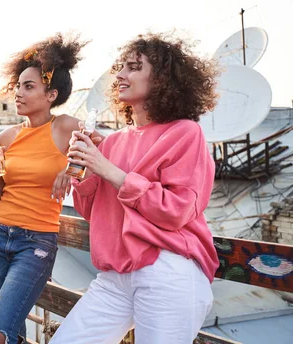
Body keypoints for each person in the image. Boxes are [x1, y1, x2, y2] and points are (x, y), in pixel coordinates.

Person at [50, 33, 220, 344]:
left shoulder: (186, 132)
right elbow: (93, 212)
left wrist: (109, 170)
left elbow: (177, 210)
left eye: (133, 67)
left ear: (161, 79)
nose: (120, 75)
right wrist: (87, 168)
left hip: (167, 269)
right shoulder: (114, 141)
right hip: (116, 276)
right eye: (121, 67)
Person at [0, 33, 95, 344]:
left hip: (35, 244)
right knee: (11, 334)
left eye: (29, 86)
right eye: (18, 86)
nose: (18, 93)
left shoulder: (65, 127)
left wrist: (72, 169)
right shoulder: (5, 137)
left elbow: (104, 149)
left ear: (51, 94)